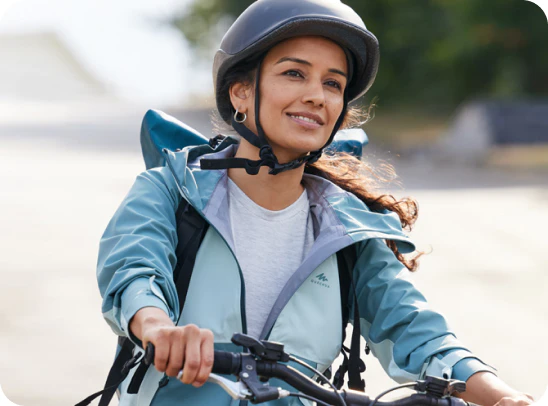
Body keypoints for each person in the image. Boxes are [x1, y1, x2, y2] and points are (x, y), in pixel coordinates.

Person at [96, 1, 534, 405]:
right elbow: (134, 271)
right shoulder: (169, 190)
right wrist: (158, 328)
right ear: (241, 92)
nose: (316, 95)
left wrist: (501, 396)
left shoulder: (348, 230)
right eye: (294, 73)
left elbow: (414, 328)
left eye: (332, 83)